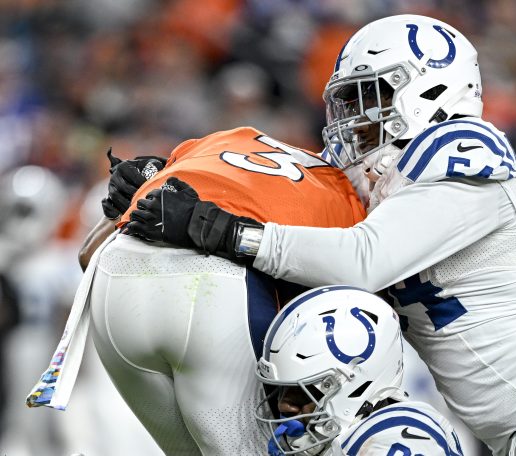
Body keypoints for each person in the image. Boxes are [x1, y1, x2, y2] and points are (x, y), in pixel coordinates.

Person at [126, 15, 516, 455]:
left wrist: (230, 233)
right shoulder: (382, 181)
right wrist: (169, 177)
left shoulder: (463, 148)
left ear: (430, 91)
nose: (354, 117)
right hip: (511, 432)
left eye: (372, 95)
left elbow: (362, 261)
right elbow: (280, 183)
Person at [81, 127, 365, 455]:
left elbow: (87, 257)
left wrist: (116, 210)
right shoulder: (351, 209)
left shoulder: (223, 140)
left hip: (112, 278)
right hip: (215, 289)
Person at [254, 285, 464, 456]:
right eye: (283, 389)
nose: (283, 405)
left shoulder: (395, 435)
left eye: (303, 391)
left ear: (354, 384)